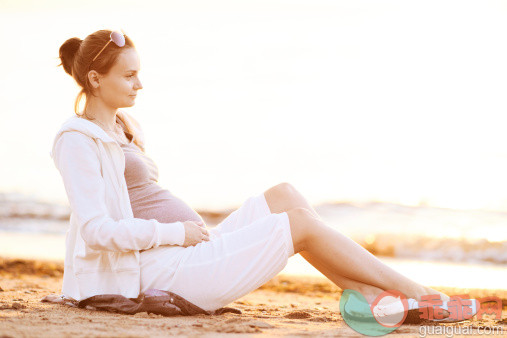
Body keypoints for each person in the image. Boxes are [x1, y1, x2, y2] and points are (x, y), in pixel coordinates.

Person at [51, 29, 472, 318]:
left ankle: (366, 295)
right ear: (94, 78)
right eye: (129, 75)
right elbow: (96, 230)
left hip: (187, 254)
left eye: (138, 72)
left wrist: (184, 235)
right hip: (160, 271)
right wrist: (177, 233)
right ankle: (420, 296)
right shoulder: (77, 140)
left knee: (286, 195)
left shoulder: (123, 127)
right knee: (301, 224)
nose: (139, 84)